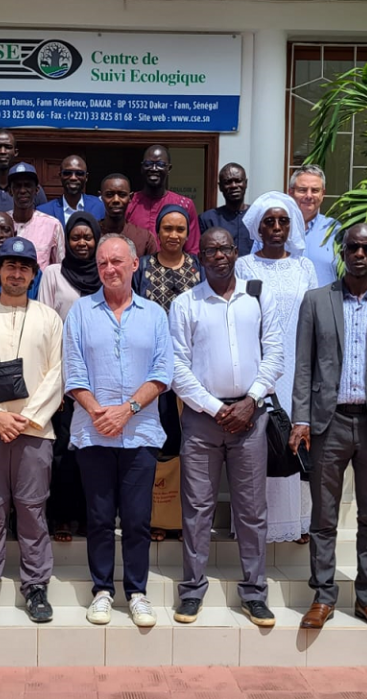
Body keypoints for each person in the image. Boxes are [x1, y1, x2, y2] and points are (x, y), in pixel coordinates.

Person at [291, 224, 367, 632]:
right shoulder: (316, 302)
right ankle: (323, 597)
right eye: (352, 247)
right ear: (342, 252)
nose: (359, 253)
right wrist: (301, 419)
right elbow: (303, 367)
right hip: (330, 423)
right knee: (323, 517)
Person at [169, 227, 284, 628]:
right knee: (197, 509)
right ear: (200, 258)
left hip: (252, 419)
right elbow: (177, 368)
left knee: (252, 510)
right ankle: (192, 591)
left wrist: (251, 400)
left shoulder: (258, 294)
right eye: (210, 251)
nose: (218, 256)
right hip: (203, 421)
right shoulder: (186, 304)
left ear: (236, 253)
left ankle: (254, 593)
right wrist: (217, 408)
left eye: (224, 249)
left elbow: (275, 352)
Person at [64, 234, 173, 628]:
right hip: (93, 432)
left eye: (117, 261)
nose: (109, 269)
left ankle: (137, 591)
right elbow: (73, 372)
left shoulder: (155, 314)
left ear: (134, 265)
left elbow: (163, 373)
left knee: (138, 518)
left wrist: (125, 411)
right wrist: (99, 413)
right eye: (103, 263)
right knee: (98, 516)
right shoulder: (80, 311)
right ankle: (102, 591)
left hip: (140, 432)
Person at [0, 237, 63, 624]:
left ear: (33, 275)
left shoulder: (48, 318)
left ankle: (35, 587)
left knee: (33, 511)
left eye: (24, 268)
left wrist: (28, 417)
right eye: (9, 267)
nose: (16, 274)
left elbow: (57, 373)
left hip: (35, 431)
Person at [237, 192, 318, 544]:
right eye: (268, 221)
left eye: (283, 221)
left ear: (292, 226)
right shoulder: (244, 266)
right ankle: (259, 524)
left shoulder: (305, 267)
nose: (276, 227)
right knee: (262, 442)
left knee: (294, 437)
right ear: (257, 226)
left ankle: (298, 522)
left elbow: (315, 319)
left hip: (299, 364)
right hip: (260, 366)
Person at [132, 204, 202, 541]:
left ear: (188, 234)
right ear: (157, 233)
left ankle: (182, 518)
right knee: (158, 444)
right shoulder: (143, 268)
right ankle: (158, 517)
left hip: (190, 371)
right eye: (167, 229)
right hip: (150, 372)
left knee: (186, 443)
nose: (173, 235)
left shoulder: (198, 268)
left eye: (180, 229)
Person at [38, 212, 102, 542]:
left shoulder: (106, 274)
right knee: (63, 450)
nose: (81, 242)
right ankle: (61, 516)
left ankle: (90, 517)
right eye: (75, 237)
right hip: (63, 378)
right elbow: (45, 326)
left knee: (93, 451)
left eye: (87, 237)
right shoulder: (52, 274)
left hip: (99, 378)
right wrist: (54, 379)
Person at [125, 145, 201, 255]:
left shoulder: (184, 205)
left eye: (160, 164)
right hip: (135, 269)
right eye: (148, 164)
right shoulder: (130, 202)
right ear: (142, 168)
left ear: (169, 169)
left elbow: (193, 250)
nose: (154, 169)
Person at [288, 165, 341, 287]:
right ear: (290, 192)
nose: (309, 195)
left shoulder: (335, 230)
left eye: (315, 190)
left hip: (324, 305)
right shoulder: (273, 229)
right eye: (302, 190)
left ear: (323, 193)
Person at [8, 162, 65, 271]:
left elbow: (59, 269)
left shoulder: (52, 225)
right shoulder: (0, 224)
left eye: (28, 185)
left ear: (37, 190)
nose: (23, 190)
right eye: (18, 186)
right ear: (10, 191)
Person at [99, 173, 158, 258]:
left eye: (122, 195)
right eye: (109, 195)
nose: (116, 200)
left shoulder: (144, 238)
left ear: (130, 197)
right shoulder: (91, 235)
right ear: (101, 197)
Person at [199, 163, 252, 256]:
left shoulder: (258, 216)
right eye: (228, 182)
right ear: (220, 187)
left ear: (246, 183)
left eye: (238, 181)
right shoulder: (207, 219)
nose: (234, 186)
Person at [38, 155, 105, 226]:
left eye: (79, 173)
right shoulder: (44, 212)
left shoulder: (100, 206)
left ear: (86, 177)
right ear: (60, 176)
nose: (73, 178)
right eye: (67, 173)